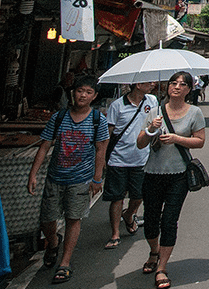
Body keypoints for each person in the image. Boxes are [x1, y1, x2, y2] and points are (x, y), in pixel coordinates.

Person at [27, 76, 109, 284]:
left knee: (74, 219)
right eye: (80, 90)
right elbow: (45, 145)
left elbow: (101, 150)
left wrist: (97, 178)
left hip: (80, 179)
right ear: (73, 92)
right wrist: (33, 173)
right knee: (47, 219)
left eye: (88, 92)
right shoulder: (59, 117)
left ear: (95, 96)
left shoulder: (97, 120)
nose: (83, 95)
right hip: (55, 177)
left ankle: (64, 262)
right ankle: (53, 243)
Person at [137, 71, 207, 289]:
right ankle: (153, 251)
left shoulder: (194, 112)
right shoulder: (155, 112)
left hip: (179, 175)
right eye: (173, 83)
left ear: (189, 89)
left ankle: (162, 267)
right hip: (152, 173)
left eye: (182, 84)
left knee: (169, 220)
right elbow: (140, 143)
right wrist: (151, 129)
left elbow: (200, 141)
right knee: (150, 218)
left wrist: (177, 138)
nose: (176, 87)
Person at [103, 81, 159, 250]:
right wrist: (102, 159)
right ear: (137, 85)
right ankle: (115, 233)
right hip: (118, 158)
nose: (152, 84)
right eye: (147, 82)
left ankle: (129, 214)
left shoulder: (152, 101)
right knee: (117, 196)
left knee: (139, 194)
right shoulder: (117, 106)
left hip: (142, 158)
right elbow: (109, 133)